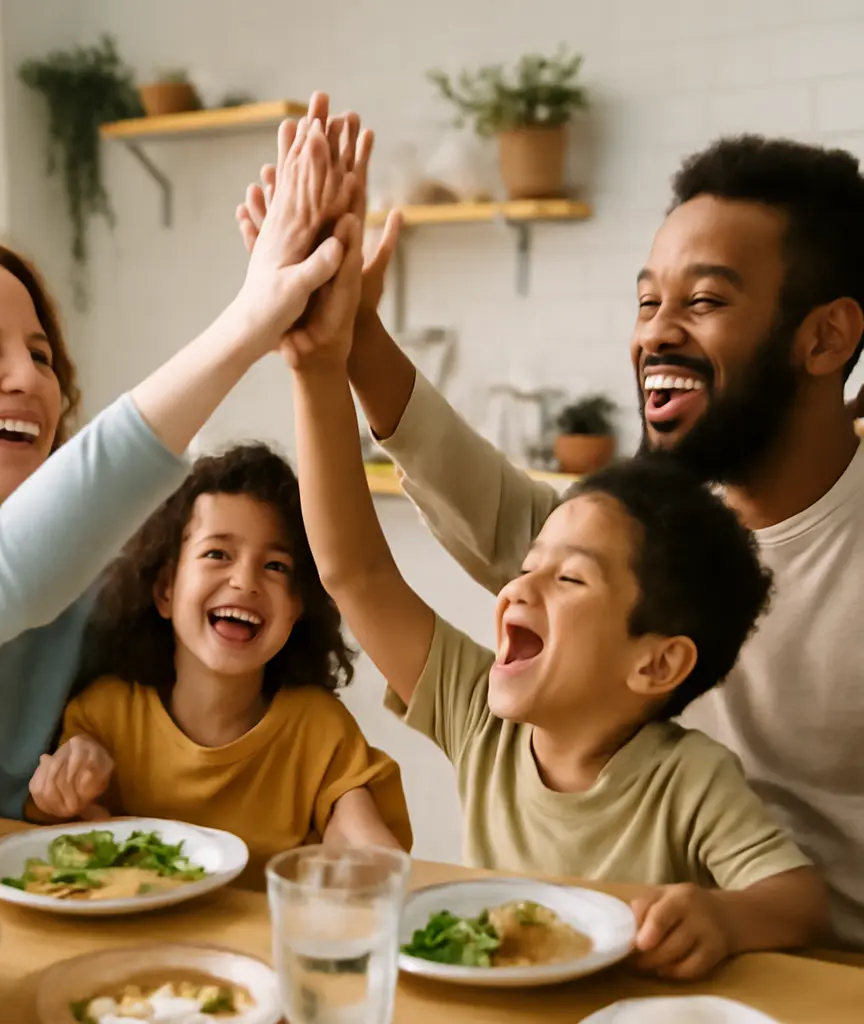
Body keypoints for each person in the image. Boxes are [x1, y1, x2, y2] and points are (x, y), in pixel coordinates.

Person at [239, 115, 864, 950]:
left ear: (826, 336)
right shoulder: (646, 526)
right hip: (643, 969)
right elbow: (419, 545)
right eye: (648, 301)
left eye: (705, 301)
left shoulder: (684, 555)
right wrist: (347, 343)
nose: (656, 333)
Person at [0, 106, 358, 823]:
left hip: (10, 893)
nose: (27, 378)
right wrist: (248, 321)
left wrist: (322, 359)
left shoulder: (85, 582)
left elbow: (308, 592)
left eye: (41, 355)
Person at [26, 443, 412, 885]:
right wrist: (64, 790)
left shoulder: (319, 730)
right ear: (165, 589)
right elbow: (59, 843)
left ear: (298, 606)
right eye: (217, 554)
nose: (245, 581)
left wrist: (364, 845)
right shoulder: (103, 718)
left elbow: (367, 849)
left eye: (276, 565)